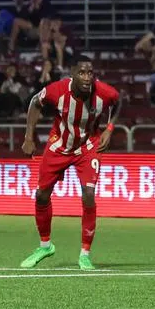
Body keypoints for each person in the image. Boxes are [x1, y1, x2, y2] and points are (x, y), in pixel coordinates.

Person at [20, 57, 121, 271]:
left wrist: (109, 129)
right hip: (59, 145)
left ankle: (85, 254)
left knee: (89, 194)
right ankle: (45, 246)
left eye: (90, 73)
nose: (87, 78)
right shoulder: (57, 90)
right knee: (41, 195)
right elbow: (34, 103)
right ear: (72, 73)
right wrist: (29, 137)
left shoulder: (103, 92)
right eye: (82, 73)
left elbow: (118, 101)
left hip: (88, 146)